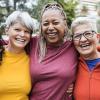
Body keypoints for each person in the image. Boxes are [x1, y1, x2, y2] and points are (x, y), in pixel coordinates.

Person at [29, 2, 78, 100]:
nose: (50, 28)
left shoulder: (74, 46)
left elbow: (92, 52)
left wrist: (77, 85)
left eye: (55, 23)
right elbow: (9, 44)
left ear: (64, 23)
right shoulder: (32, 43)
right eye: (46, 24)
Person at [0, 11, 34, 100]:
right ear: (7, 30)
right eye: (17, 29)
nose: (22, 35)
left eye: (27, 31)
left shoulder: (32, 60)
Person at [71, 17, 100, 100]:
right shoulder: (71, 66)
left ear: (97, 37)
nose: (83, 39)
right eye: (77, 36)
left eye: (88, 34)